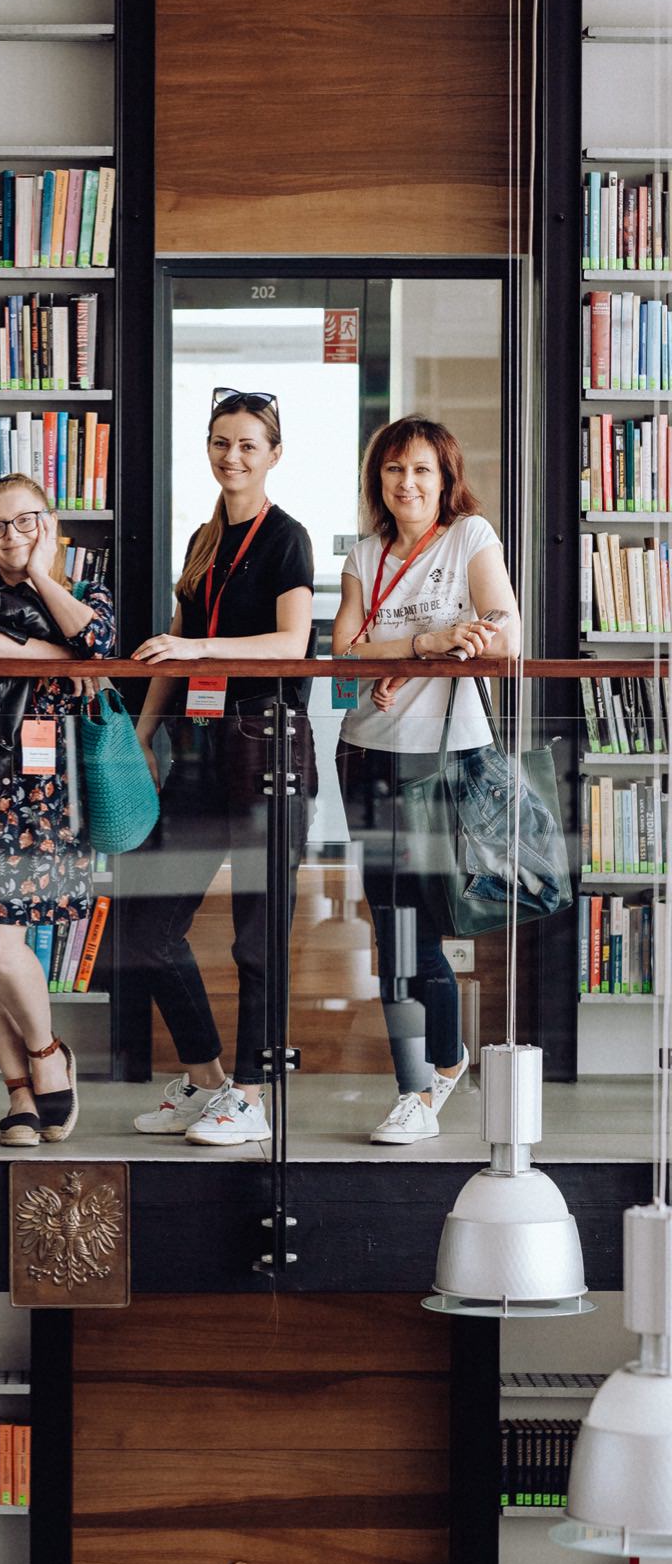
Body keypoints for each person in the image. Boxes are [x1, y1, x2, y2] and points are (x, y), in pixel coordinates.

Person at [129, 390, 316, 1146]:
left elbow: (294, 643)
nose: (230, 456)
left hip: (267, 748)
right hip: (198, 748)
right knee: (147, 927)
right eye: (218, 442)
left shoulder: (288, 537)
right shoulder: (203, 540)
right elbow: (175, 639)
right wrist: (143, 732)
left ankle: (252, 1094)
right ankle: (209, 1084)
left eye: (246, 444)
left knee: (256, 936)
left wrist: (199, 651)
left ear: (273, 454)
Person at [331, 413, 520, 1144]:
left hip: (442, 757)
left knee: (421, 923)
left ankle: (431, 1076)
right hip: (365, 753)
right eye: (392, 470)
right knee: (390, 924)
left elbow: (507, 629)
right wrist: (421, 643)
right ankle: (428, 1075)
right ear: (377, 480)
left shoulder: (471, 537)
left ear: (446, 481)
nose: (406, 483)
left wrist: (457, 643)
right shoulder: (364, 553)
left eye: (421, 471)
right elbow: (343, 653)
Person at [0, 475, 114, 1147]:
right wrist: (58, 657)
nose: (10, 537)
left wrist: (43, 579)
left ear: (51, 522)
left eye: (25, 521)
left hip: (42, 792)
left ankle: (40, 1060)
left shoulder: (85, 587)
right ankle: (24, 1085)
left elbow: (99, 645)